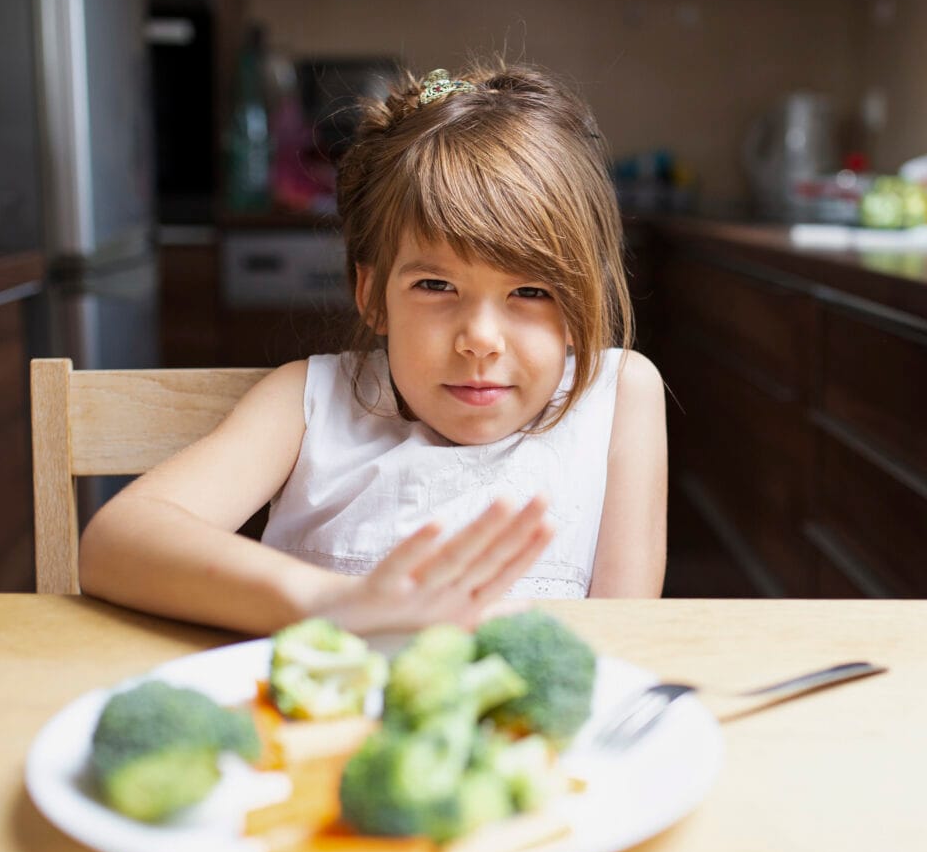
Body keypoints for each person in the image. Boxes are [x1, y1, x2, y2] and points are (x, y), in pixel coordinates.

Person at [79, 59, 668, 635]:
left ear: (582, 302)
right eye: (436, 285)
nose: (481, 341)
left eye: (531, 290)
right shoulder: (307, 402)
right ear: (373, 295)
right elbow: (115, 541)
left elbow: (625, 638)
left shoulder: (616, 399)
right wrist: (338, 603)